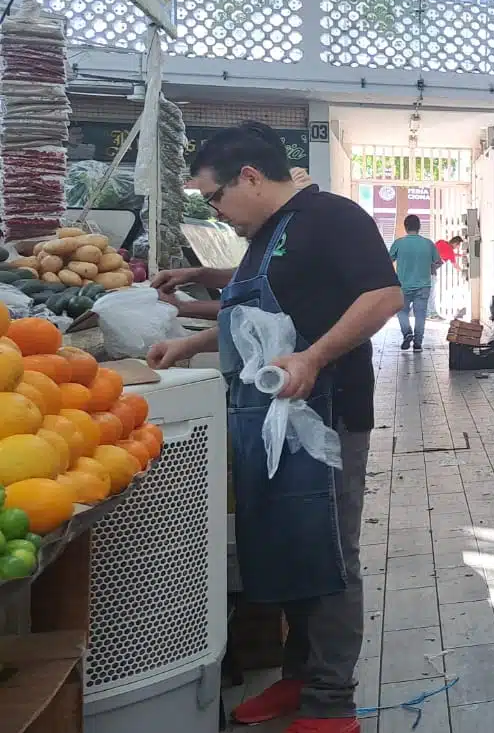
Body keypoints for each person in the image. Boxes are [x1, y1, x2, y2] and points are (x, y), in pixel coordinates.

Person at [146, 121, 402, 733]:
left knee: (333, 556)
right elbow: (263, 320)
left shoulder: (331, 217)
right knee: (292, 545)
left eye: (215, 197)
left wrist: (315, 358)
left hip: (326, 414)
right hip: (269, 414)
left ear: (252, 178)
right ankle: (298, 676)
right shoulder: (267, 235)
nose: (217, 211)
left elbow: (384, 296)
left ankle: (332, 701)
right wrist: (191, 346)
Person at [389, 214, 442, 351]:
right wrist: (431, 267)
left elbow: (388, 261)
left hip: (403, 285)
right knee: (420, 315)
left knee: (401, 312)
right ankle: (418, 344)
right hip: (423, 285)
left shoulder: (399, 243)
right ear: (419, 227)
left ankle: (407, 333)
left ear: (405, 227)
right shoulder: (428, 243)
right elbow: (438, 262)